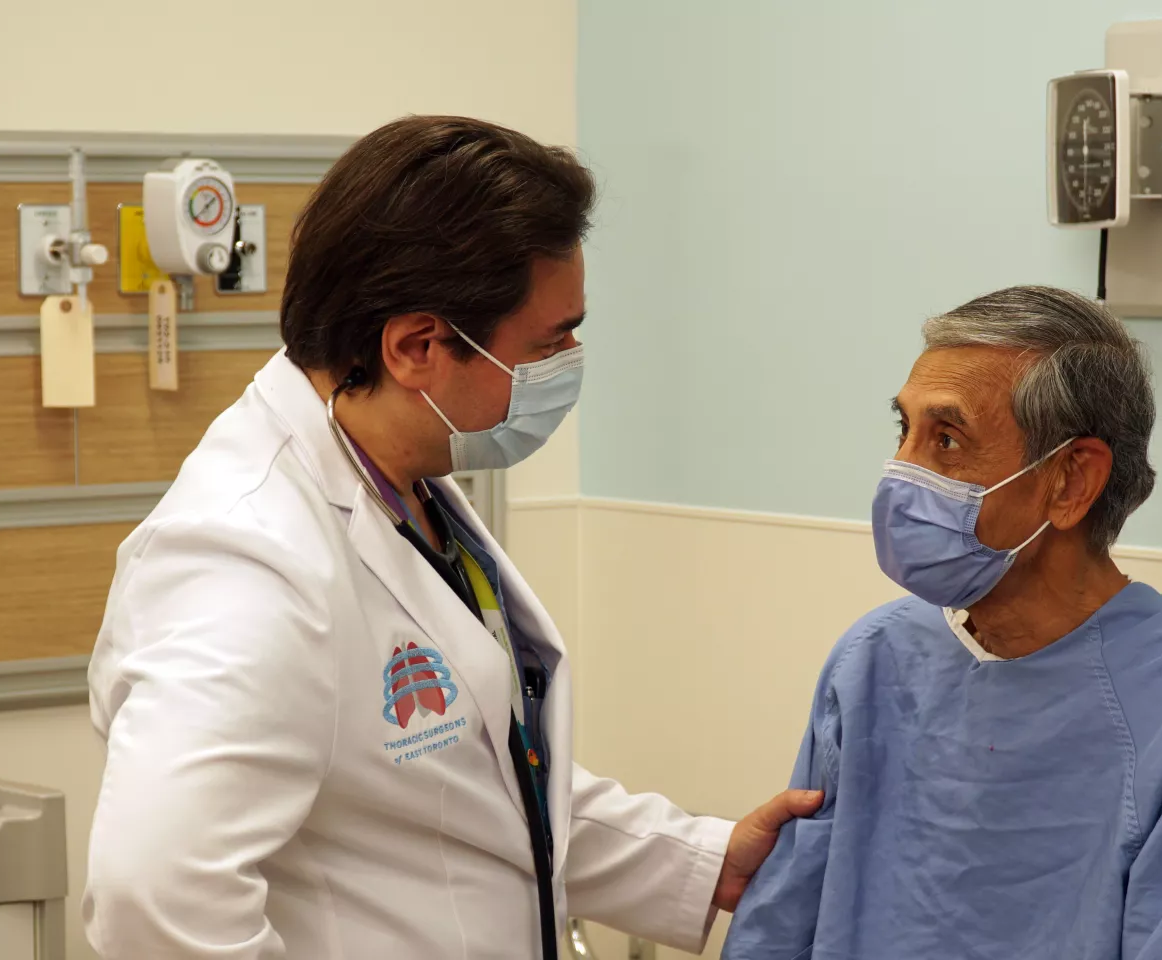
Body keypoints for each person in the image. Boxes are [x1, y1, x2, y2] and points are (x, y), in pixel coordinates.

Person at [84, 116, 819, 960]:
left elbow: (480, 787)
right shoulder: (248, 562)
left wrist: (708, 863)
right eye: (551, 340)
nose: (571, 359)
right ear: (416, 347)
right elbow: (153, 899)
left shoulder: (398, 482)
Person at [721, 286, 1162, 960]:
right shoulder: (874, 661)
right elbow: (781, 926)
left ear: (1071, 481)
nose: (901, 472)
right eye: (903, 431)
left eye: (947, 439)